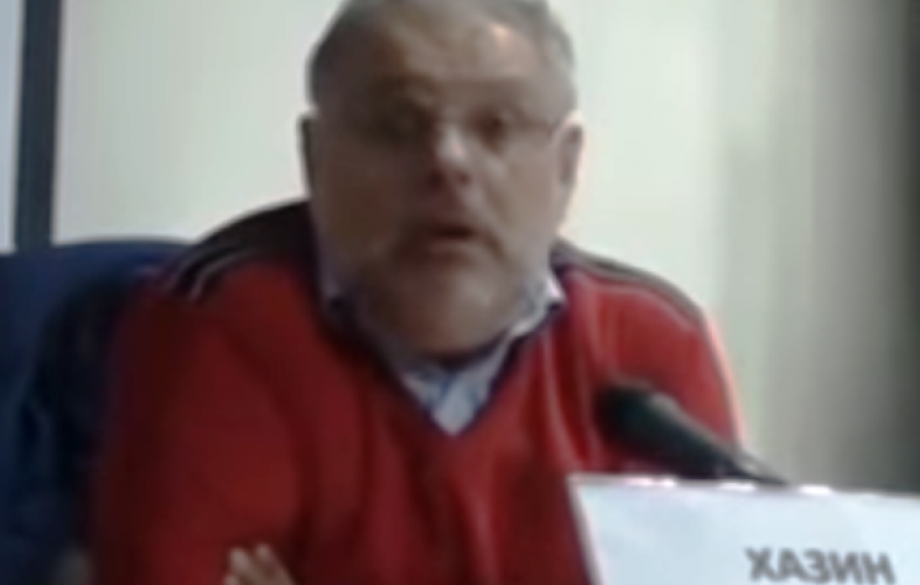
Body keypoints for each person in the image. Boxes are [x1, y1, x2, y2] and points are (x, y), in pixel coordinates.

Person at [89, 0, 743, 584]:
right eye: (398, 123)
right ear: (315, 158)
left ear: (566, 166)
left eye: (497, 126)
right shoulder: (222, 321)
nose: (448, 162)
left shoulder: (650, 347)